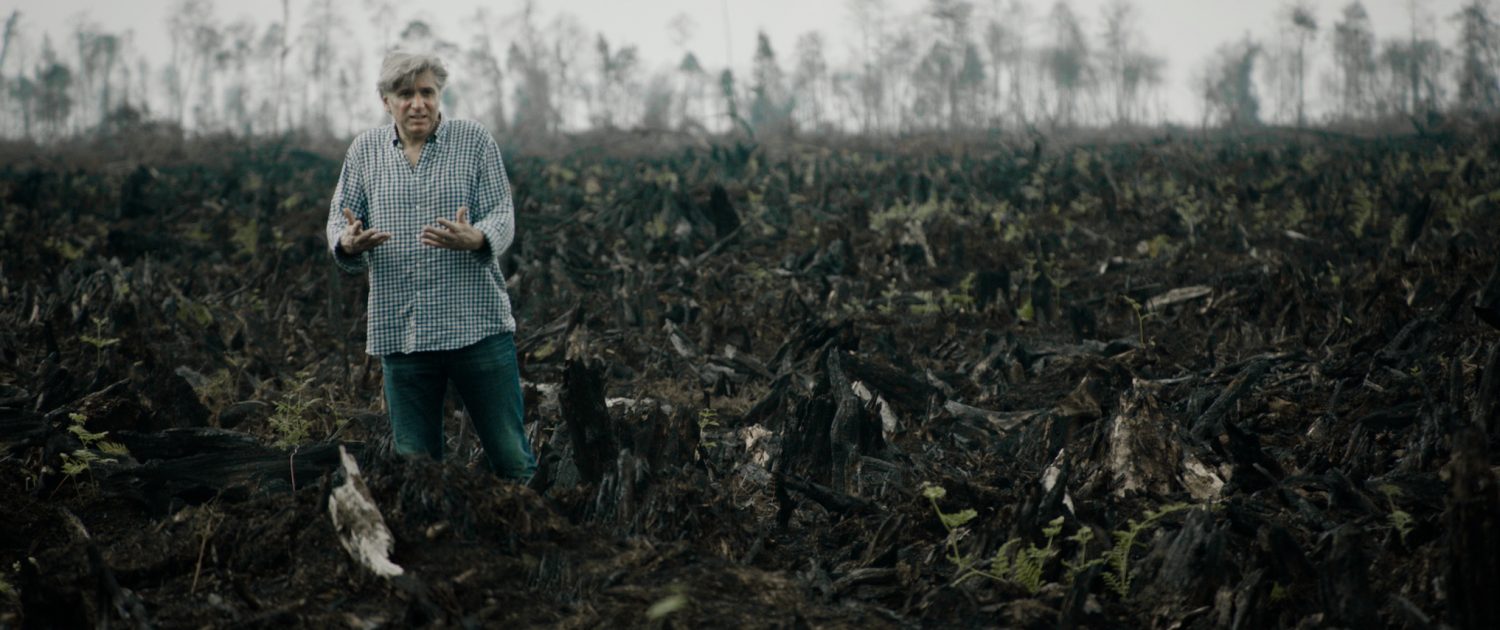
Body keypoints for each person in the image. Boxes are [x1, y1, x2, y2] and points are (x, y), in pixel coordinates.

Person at [326, 51, 536, 481]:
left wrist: (477, 237)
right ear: (386, 101)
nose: (417, 103)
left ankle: (534, 542)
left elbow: (501, 213)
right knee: (416, 467)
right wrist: (347, 242)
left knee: (512, 459)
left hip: (476, 327)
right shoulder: (365, 152)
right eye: (405, 94)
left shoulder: (473, 141)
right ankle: (437, 545)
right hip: (404, 333)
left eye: (427, 92)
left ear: (440, 95)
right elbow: (338, 219)